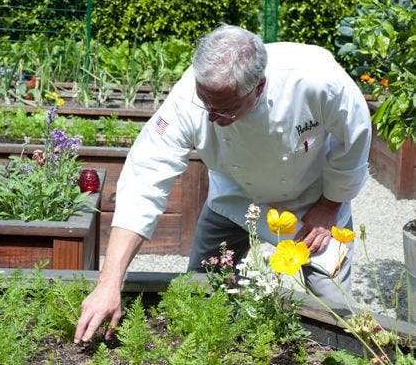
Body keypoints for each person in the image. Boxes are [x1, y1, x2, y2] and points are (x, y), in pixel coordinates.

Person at [74, 24, 371, 344]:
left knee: (335, 311)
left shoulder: (317, 79)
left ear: (259, 87)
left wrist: (330, 205)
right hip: (235, 194)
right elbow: (145, 179)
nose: (211, 117)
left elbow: (355, 137)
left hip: (313, 198)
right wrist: (109, 280)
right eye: (206, 104)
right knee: (201, 289)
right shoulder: (189, 97)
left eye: (225, 109)